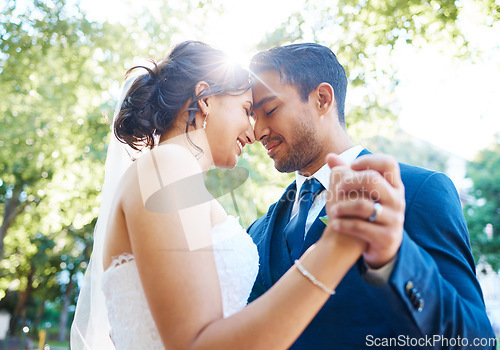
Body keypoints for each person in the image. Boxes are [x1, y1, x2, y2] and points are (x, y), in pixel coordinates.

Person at [70, 41, 368, 349]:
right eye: (246, 110)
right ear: (206, 99)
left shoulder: (178, 176)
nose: (253, 132)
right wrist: (335, 248)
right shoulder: (168, 165)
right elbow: (196, 342)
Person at [247, 43, 497, 349]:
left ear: (322, 99)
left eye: (270, 110)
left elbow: (476, 341)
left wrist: (394, 259)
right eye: (251, 115)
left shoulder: (421, 189)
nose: (257, 130)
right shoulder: (257, 230)